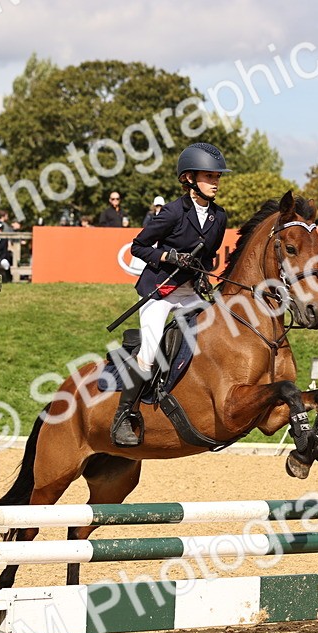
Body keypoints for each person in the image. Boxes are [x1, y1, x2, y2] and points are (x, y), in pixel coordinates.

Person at [112, 142, 230, 447]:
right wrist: (168, 257)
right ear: (189, 178)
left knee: (219, 331)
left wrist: (203, 278)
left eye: (218, 176)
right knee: (148, 353)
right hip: (160, 293)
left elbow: (207, 256)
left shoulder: (219, 217)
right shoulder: (172, 212)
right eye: (209, 176)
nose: (216, 181)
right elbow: (139, 246)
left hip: (190, 292)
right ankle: (123, 416)